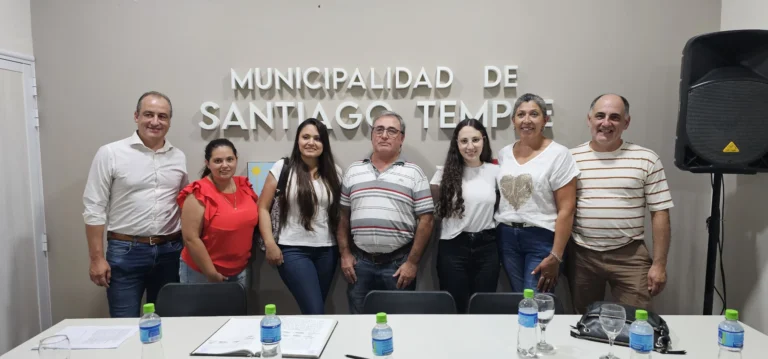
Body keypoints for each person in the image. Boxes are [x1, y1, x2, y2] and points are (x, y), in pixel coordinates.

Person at [83, 91, 188, 317]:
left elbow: (182, 204)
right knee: (124, 325)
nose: (155, 122)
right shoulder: (110, 153)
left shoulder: (178, 157)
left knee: (167, 324)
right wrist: (96, 258)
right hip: (126, 252)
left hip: (170, 251)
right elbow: (94, 208)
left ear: (169, 121)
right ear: (136, 116)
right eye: (148, 114)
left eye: (162, 116)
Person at [568, 93, 673, 313]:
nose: (606, 123)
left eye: (614, 117)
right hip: (582, 256)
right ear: (589, 119)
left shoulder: (646, 159)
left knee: (637, 323)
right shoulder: (570, 158)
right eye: (600, 116)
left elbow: (660, 213)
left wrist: (659, 265)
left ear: (626, 122)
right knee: (584, 321)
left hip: (630, 256)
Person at [337, 110, 435, 314]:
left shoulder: (414, 173)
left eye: (392, 131)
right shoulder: (353, 171)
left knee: (401, 325)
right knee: (359, 323)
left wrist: (412, 263)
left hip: (399, 266)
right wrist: (345, 254)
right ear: (372, 135)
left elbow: (426, 220)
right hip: (359, 265)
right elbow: (343, 217)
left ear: (402, 138)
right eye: (379, 130)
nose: (384, 135)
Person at [495, 93, 580, 294]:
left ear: (545, 120)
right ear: (513, 121)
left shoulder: (559, 154)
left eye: (534, 114)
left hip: (541, 237)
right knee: (519, 297)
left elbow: (567, 209)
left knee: (535, 298)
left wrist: (556, 255)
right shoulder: (504, 153)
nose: (526, 120)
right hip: (506, 237)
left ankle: (541, 327)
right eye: (521, 114)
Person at [257, 118, 342, 315]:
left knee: (314, 310)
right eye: (305, 137)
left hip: (327, 251)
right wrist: (270, 244)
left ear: (324, 144)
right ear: (297, 141)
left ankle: (311, 345)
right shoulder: (282, 167)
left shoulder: (334, 172)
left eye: (317, 138)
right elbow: (262, 207)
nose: (311, 142)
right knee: (315, 311)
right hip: (292, 250)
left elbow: (339, 213)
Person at [430, 118, 500, 314]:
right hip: (453, 248)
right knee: (455, 307)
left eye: (475, 140)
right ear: (456, 144)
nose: (470, 146)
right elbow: (429, 211)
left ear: (484, 140)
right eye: (464, 141)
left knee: (484, 307)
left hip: (487, 247)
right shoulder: (442, 174)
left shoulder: (496, 172)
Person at [177, 139, 259, 288]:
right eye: (218, 161)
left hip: (240, 271)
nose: (225, 165)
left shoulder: (244, 186)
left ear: (236, 159)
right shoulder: (198, 192)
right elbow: (190, 238)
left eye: (230, 159)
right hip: (202, 274)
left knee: (237, 311)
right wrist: (211, 273)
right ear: (208, 163)